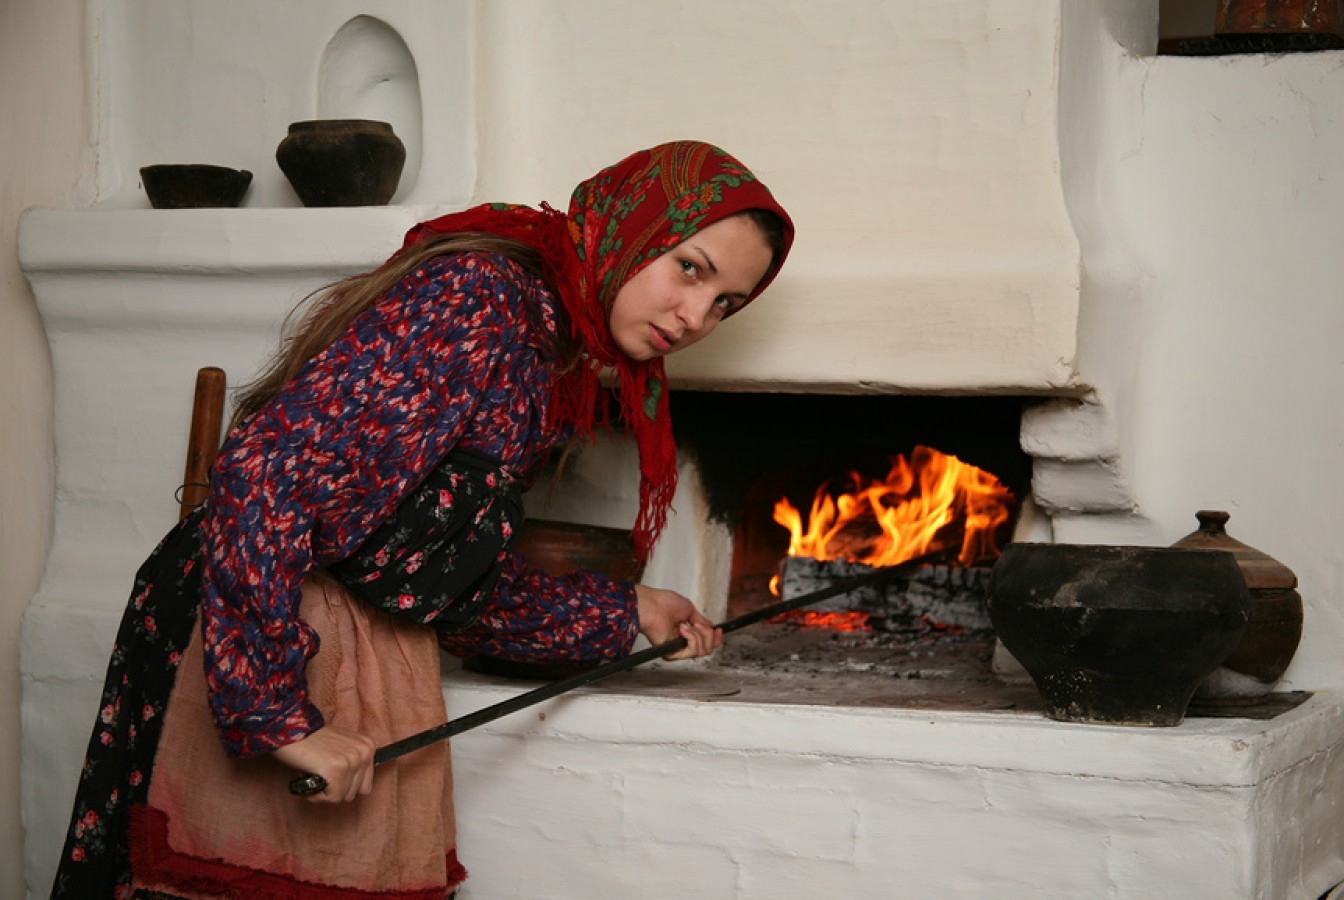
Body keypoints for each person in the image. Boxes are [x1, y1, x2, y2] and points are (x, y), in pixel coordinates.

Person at [51, 140, 795, 899]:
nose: (697, 315)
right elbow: (266, 477)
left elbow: (428, 578)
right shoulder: (478, 295)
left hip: (354, 648)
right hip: (258, 637)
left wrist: (625, 611)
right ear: (631, 229)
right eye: (690, 268)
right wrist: (277, 715)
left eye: (725, 303)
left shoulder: (548, 348)